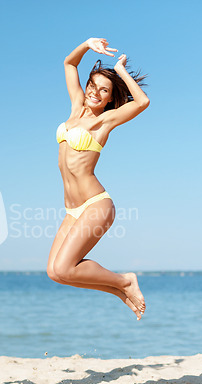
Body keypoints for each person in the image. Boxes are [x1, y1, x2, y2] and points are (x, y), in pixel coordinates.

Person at [47, 38, 149, 319]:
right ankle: (119, 290)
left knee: (66, 267)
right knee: (56, 272)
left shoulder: (106, 121)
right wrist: (86, 44)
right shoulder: (75, 108)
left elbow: (142, 101)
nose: (94, 92)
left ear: (109, 98)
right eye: (92, 86)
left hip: (96, 205)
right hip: (71, 210)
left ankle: (125, 281)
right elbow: (69, 63)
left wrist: (121, 70)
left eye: (103, 91)